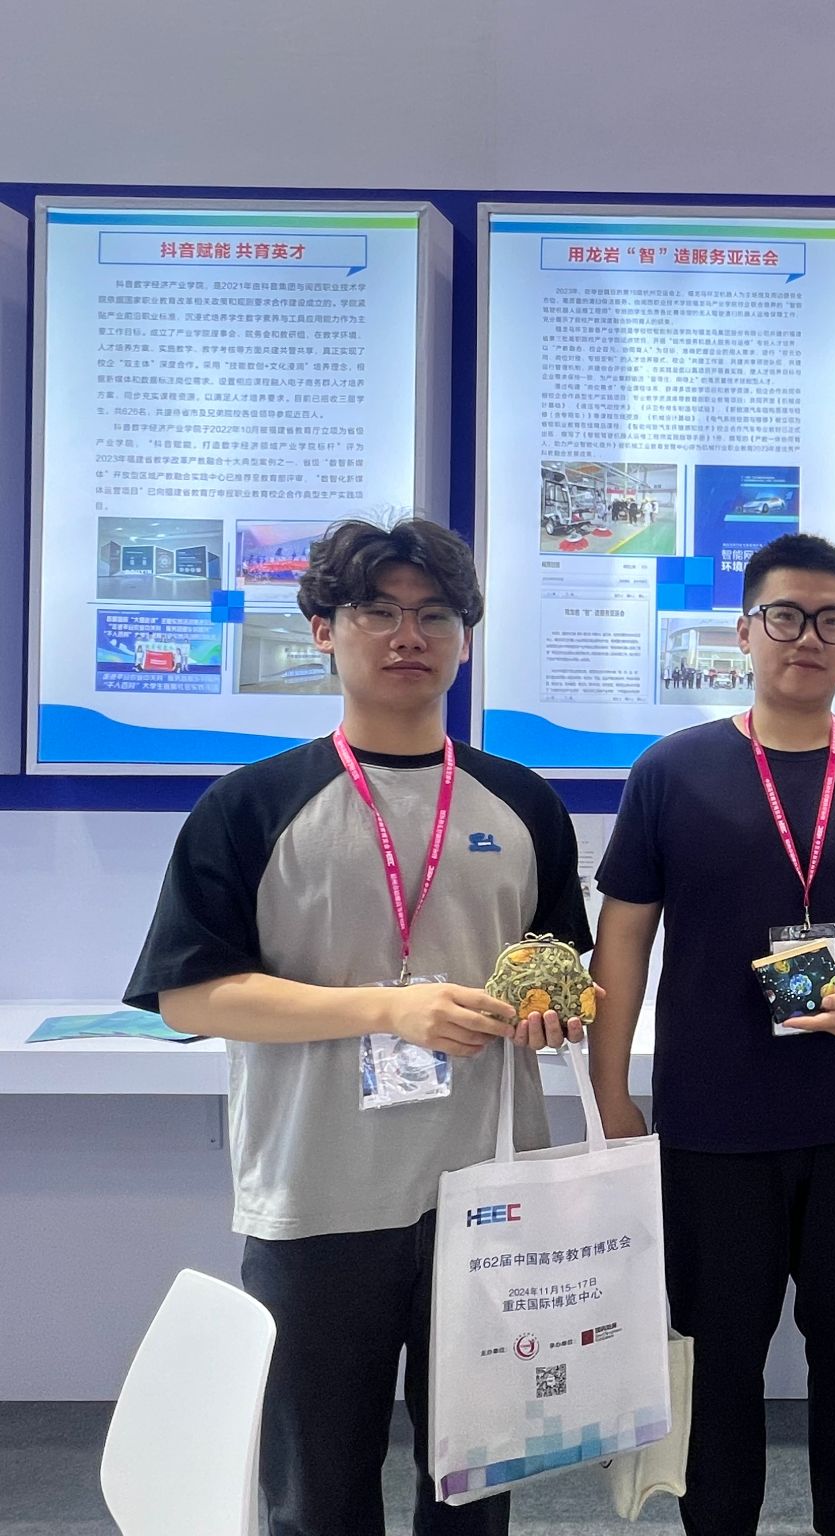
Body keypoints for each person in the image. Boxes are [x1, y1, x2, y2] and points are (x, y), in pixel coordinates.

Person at [125, 517, 593, 1536]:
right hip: (318, 1196)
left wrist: (549, 1015)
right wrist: (388, 1007)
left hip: (488, 1196)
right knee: (318, 1495)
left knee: (475, 1487)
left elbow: (556, 972)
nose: (407, 635)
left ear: (465, 637)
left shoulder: (524, 804)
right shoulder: (251, 807)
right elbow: (189, 996)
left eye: (434, 614)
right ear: (321, 630)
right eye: (376, 610)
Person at [587, 532, 835, 1536]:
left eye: (832, 620)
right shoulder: (672, 771)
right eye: (786, 616)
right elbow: (622, 939)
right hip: (712, 1128)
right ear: (744, 632)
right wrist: (610, 1091)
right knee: (716, 1362)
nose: (809, 637)